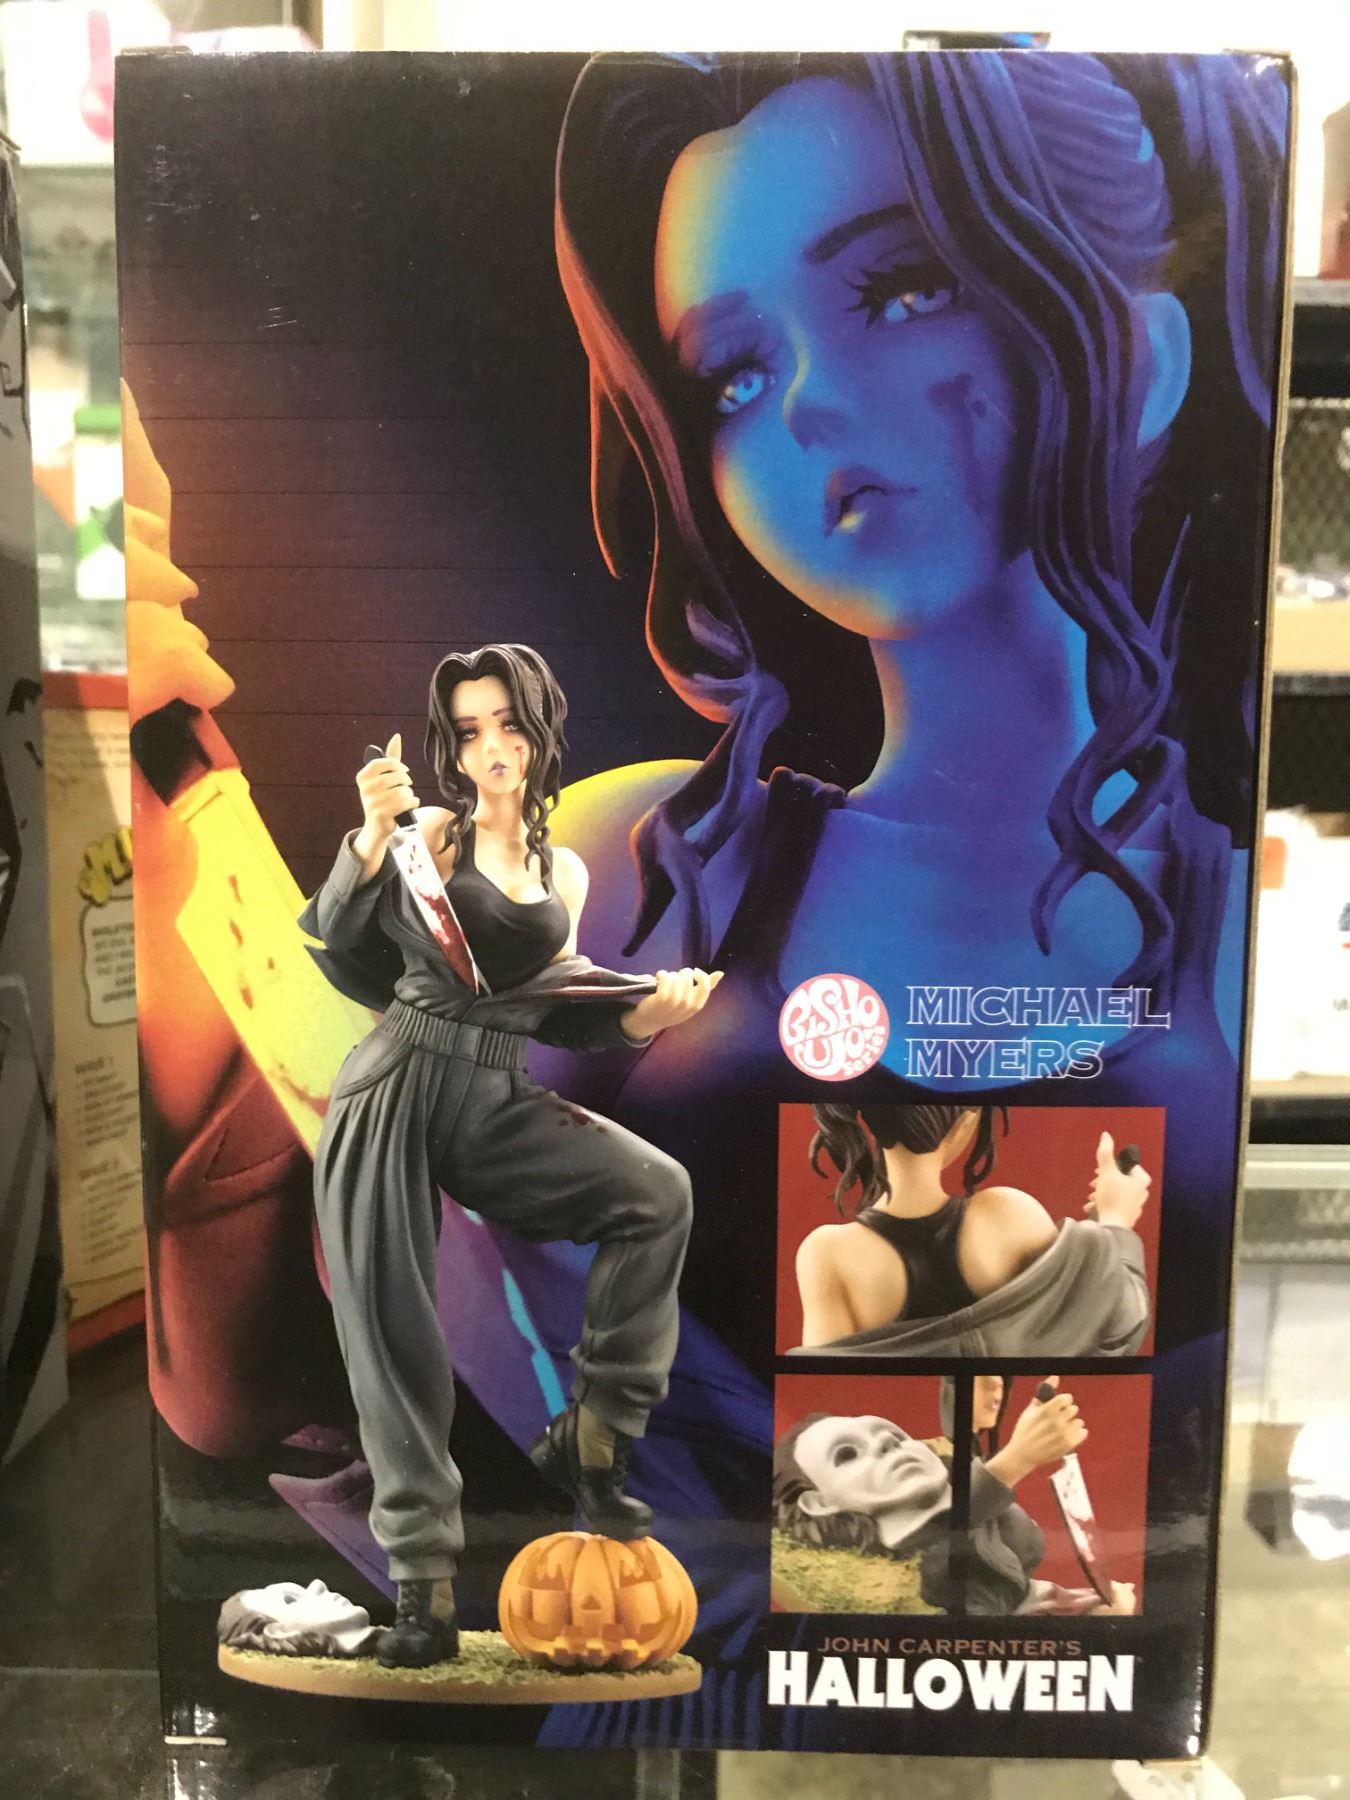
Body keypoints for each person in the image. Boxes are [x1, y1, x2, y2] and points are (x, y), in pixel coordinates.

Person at [543, 50, 1284, 1169]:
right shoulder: (639, 870)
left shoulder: (1241, 938)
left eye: (903, 291)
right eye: (736, 374)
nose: (809, 402)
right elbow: (386, 1207)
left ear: (1144, 355)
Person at [299, 644, 721, 1667]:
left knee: (655, 1193)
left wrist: (646, 1016)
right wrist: (371, 836)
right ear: (450, 747)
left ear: (539, 729)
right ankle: (424, 1591)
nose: (492, 747)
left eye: (508, 724)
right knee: (395, 1336)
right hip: (394, 1086)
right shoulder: (428, 842)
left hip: (494, 1095)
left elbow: (557, 1010)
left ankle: (596, 1432)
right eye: (470, 730)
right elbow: (335, 941)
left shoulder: (562, 871)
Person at [794, 1105, 1152, 1355]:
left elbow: (820, 1383)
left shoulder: (826, 1253)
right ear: (967, 1121)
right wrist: (1115, 1221)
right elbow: (1116, 1325)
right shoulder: (1008, 1214)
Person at [773, 1376, 1136, 1616]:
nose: (885, 1444)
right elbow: (941, 1529)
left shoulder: (978, 1504)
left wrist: (1098, 1613)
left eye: (894, 1436)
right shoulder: (900, 1570)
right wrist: (1020, 1455)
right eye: (847, 1454)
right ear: (818, 1503)